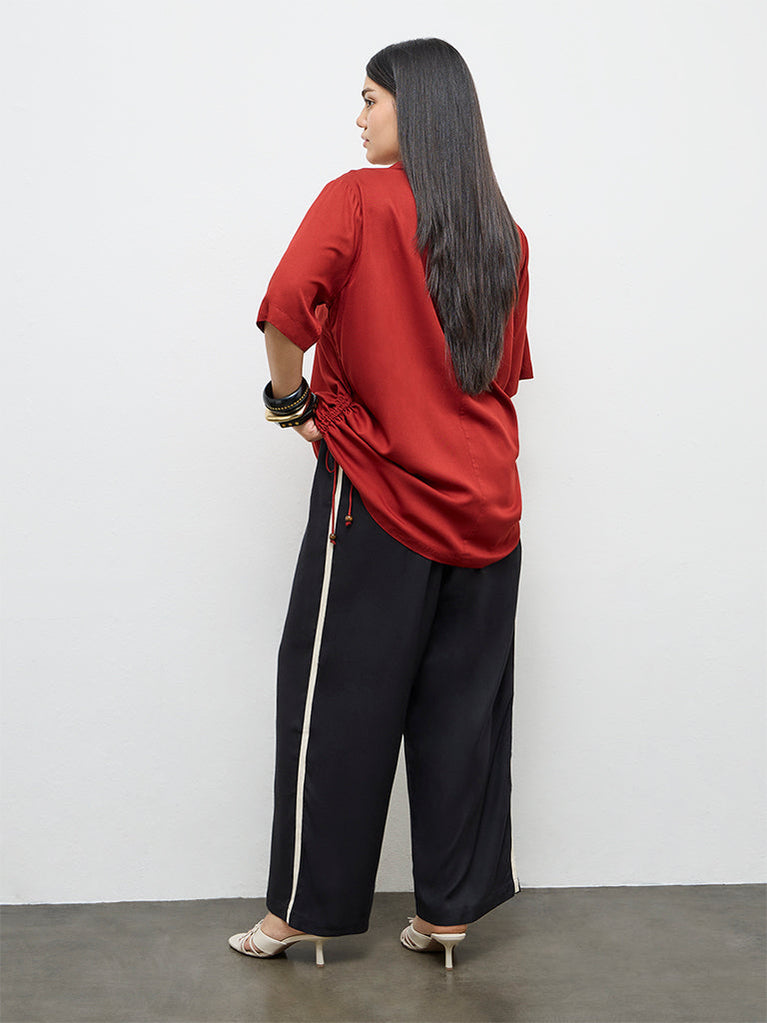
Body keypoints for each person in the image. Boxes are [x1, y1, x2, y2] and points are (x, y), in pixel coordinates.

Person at [228, 37, 533, 971]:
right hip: (488, 509)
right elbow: (498, 375)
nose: (358, 117)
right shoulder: (500, 230)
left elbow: (286, 305)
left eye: (370, 98)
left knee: (334, 704)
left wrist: (291, 404)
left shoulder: (357, 200)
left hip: (376, 500)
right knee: (461, 715)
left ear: (417, 107)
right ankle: (447, 913)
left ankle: (298, 912)